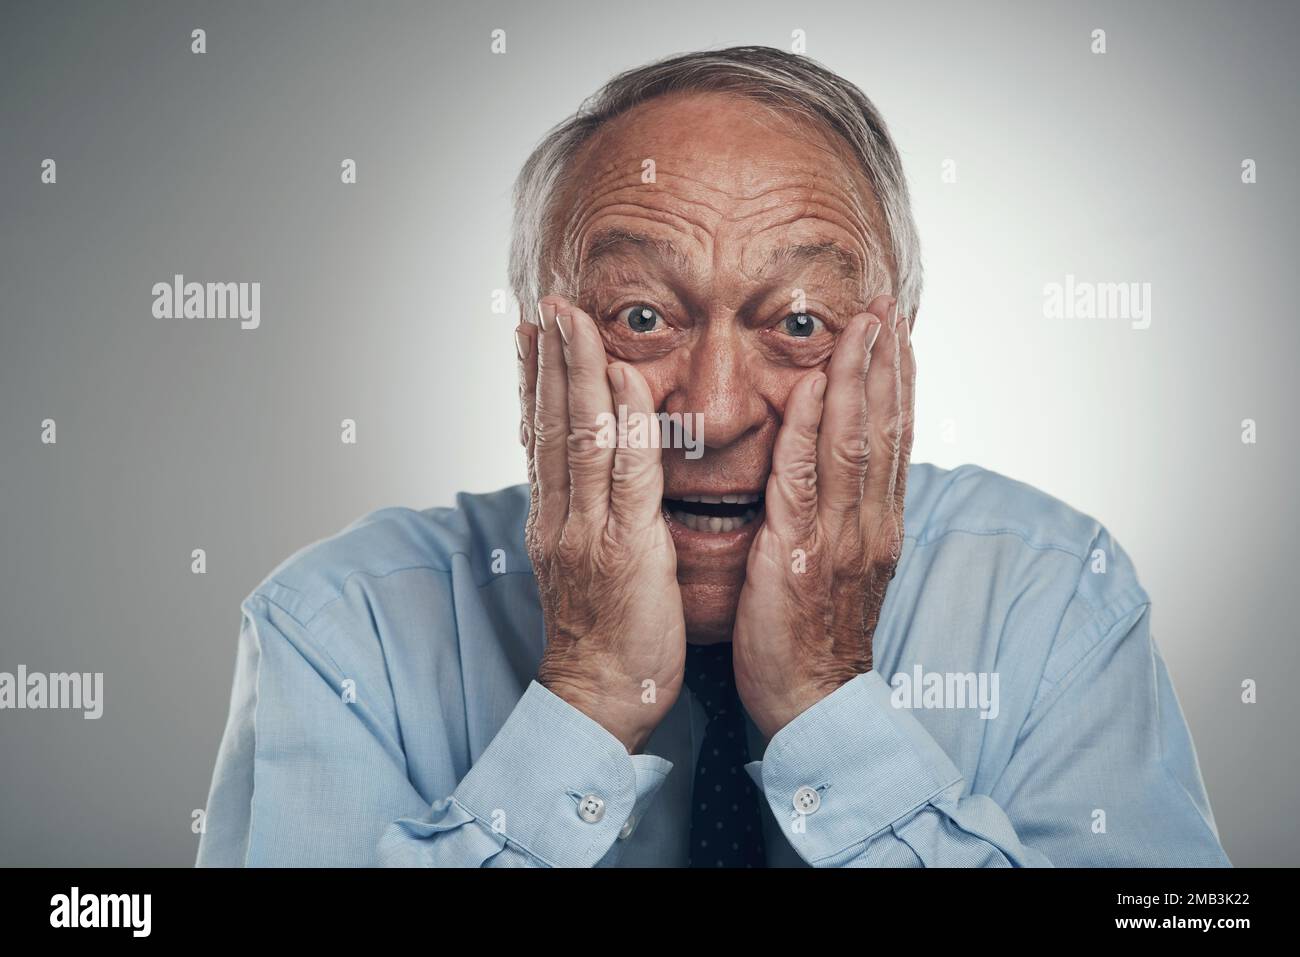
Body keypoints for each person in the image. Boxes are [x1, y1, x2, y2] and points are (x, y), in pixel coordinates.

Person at [197, 46, 1229, 867]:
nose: (716, 412)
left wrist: (826, 703)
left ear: (893, 356)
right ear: (535, 364)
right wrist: (588, 696)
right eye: (642, 315)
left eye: (798, 322)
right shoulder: (339, 631)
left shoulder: (1052, 597)